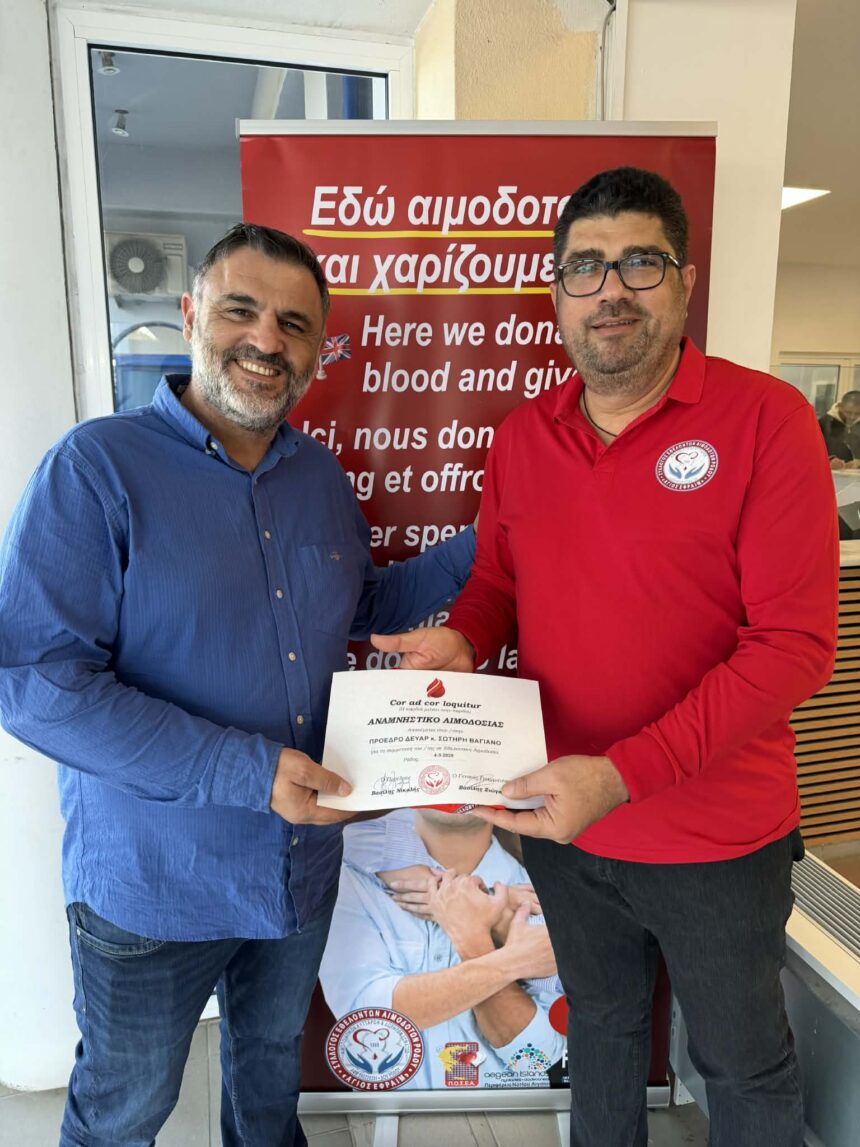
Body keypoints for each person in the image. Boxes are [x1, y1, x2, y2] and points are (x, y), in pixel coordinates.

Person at [372, 167, 839, 1147]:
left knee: (741, 1065)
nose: (611, 289)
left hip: (716, 837)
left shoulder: (765, 420)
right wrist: (463, 635)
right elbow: (498, 581)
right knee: (603, 1029)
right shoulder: (522, 437)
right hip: (560, 823)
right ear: (558, 293)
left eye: (639, 262)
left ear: (684, 281)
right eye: (585, 267)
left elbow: (793, 647)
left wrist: (623, 773)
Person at [0, 224, 475, 1147]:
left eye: (294, 324)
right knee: (123, 1112)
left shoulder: (320, 477)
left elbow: (358, 605)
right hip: (153, 885)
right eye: (240, 310)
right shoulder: (96, 469)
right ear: (190, 315)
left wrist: (500, 535)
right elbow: (37, 683)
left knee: (266, 1087)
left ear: (319, 350)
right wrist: (247, 771)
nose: (265, 340)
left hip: (296, 873)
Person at [318, 808, 563, 1090]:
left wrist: (473, 937)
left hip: (517, 1111)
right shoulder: (352, 871)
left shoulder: (541, 893)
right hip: (388, 1111)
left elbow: (538, 1061)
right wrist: (510, 961)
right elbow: (369, 1020)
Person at [818, 389, 860, 468]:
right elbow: (810, 453)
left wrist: (858, 463)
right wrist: (829, 462)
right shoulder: (823, 424)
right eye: (848, 412)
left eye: (857, 413)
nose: (852, 417)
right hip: (831, 473)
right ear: (840, 406)